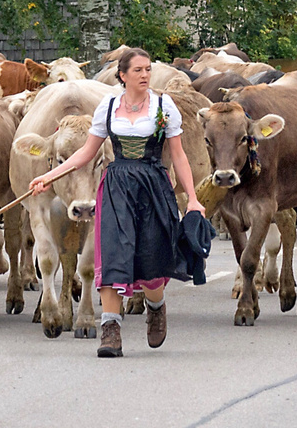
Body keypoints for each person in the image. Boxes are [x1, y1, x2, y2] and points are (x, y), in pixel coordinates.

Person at [28, 48, 203, 358]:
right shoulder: (108, 107)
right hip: (116, 185)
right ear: (123, 75)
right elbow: (85, 154)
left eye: (148, 69)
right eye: (138, 70)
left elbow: (178, 155)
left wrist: (193, 200)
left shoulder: (164, 107)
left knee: (151, 262)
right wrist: (48, 176)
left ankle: (156, 306)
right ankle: (110, 330)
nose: (145, 75)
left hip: (152, 184)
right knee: (112, 256)